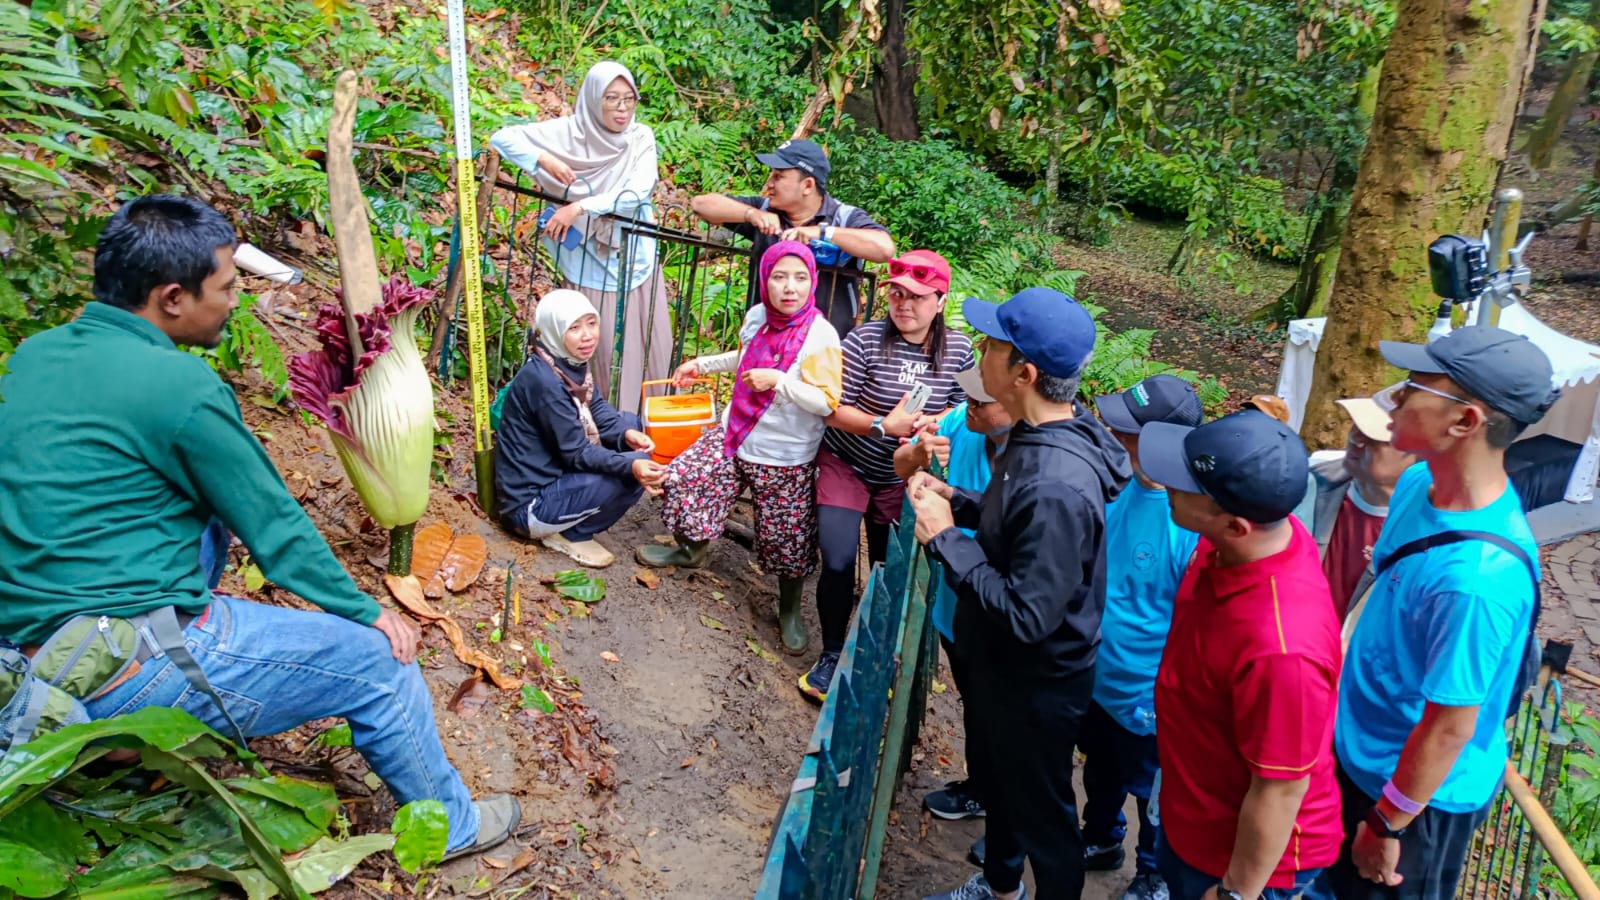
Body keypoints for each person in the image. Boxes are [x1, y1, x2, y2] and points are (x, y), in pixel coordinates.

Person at [0, 195, 518, 860]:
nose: (236, 299)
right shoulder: (178, 388)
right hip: (124, 662)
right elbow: (274, 530)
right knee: (379, 667)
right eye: (226, 287)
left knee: (193, 519)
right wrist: (365, 611)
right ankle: (453, 828)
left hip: (29, 656)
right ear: (172, 299)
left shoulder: (36, 356)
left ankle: (125, 743)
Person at [911, 287, 1132, 900]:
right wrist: (959, 502)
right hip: (1007, 672)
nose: (978, 353)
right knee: (1009, 788)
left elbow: (1029, 615)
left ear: (1023, 374)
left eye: (990, 345)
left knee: (1046, 817)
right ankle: (1000, 885)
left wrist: (945, 540)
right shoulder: (1036, 438)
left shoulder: (1057, 480)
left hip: (1037, 682)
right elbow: (1017, 535)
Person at [1330, 327, 1556, 900]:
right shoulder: (1414, 483)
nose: (1395, 396)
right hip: (1359, 751)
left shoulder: (1476, 582)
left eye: (1415, 385)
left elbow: (1450, 725)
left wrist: (1386, 824)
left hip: (1410, 805)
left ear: (1464, 423)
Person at [1137, 410, 1344, 900]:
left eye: (1181, 484)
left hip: (1244, 866)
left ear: (1234, 525)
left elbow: (1281, 788)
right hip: (1192, 814)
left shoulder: (1282, 649)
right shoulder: (1229, 546)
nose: (1165, 484)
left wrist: (1236, 892)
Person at [635, 242, 842, 655]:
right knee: (683, 476)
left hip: (785, 456)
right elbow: (746, 357)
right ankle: (692, 550)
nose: (789, 288)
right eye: (779, 276)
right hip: (736, 431)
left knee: (788, 538)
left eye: (800, 278)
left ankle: (788, 609)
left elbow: (826, 401)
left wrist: (780, 380)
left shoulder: (821, 336)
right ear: (765, 279)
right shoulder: (758, 317)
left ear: (812, 283)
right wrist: (705, 364)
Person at [799, 250, 974, 703]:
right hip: (848, 462)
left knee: (885, 565)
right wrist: (883, 424)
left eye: (916, 297)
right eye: (896, 294)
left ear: (940, 300)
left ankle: (874, 652)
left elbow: (968, 408)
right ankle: (833, 652)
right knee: (837, 559)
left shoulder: (959, 350)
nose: (903, 305)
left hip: (905, 477)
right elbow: (833, 411)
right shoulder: (862, 341)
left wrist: (933, 423)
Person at [1077, 375, 1205, 900]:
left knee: (1151, 790)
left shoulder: (1189, 523)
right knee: (1100, 773)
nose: (1116, 435)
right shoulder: (1123, 486)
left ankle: (1152, 870)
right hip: (1101, 676)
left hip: (1148, 696)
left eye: (1130, 431)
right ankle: (1102, 837)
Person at [490, 61, 669, 413]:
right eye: (611, 99)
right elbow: (502, 137)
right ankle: (597, 425)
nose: (622, 108)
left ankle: (650, 426)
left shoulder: (639, 137)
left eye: (629, 99)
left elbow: (635, 192)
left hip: (635, 257)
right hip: (588, 260)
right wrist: (542, 158)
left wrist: (579, 207)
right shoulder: (570, 132)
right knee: (591, 349)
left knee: (650, 345)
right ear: (592, 100)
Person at [894, 368, 1014, 829]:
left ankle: (1004, 812)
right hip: (956, 595)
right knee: (974, 699)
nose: (971, 407)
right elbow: (901, 465)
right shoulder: (964, 421)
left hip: (998, 607)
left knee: (1001, 712)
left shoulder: (1036, 459)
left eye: (983, 400)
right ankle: (981, 786)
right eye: (969, 398)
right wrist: (920, 455)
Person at [493, 289, 667, 568]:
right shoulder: (544, 382)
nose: (587, 335)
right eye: (574, 327)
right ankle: (568, 533)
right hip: (530, 506)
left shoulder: (564, 361)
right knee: (634, 465)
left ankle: (571, 523)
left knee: (631, 428)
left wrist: (625, 434)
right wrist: (631, 467)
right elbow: (576, 453)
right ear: (554, 329)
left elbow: (595, 408)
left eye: (591, 323)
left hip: (557, 476)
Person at [689, 138, 894, 339]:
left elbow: (885, 248)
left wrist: (825, 233)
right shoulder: (764, 210)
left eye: (778, 176)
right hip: (765, 341)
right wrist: (751, 215)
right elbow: (700, 204)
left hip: (823, 348)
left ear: (807, 185)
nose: (769, 184)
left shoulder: (844, 217)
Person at [1299, 395, 1416, 619]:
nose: (1356, 438)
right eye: (1357, 425)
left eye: (1374, 437)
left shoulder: (1429, 534)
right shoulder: (1307, 485)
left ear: (1418, 455)